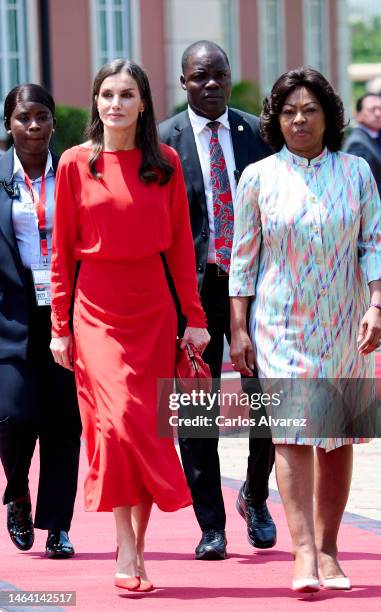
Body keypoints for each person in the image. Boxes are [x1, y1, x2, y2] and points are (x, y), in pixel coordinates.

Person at [49, 59, 209, 591]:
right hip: (95, 308)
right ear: (96, 102)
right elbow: (62, 251)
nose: (115, 103)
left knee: (144, 429)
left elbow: (183, 250)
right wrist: (60, 325)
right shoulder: (75, 163)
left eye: (127, 94)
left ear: (143, 104)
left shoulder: (162, 162)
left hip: (153, 308)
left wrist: (195, 318)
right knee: (117, 427)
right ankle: (124, 541)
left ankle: (137, 547)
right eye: (107, 94)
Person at [229, 67, 381, 592]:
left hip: (345, 324)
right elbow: (243, 259)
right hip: (280, 324)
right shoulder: (258, 177)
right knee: (292, 435)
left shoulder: (357, 172)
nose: (299, 119)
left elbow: (373, 243)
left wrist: (377, 304)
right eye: (289, 110)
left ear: (328, 116)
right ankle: (302, 556)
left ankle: (329, 550)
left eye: (310, 109)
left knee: (336, 438)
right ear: (275, 119)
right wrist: (239, 328)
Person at [159, 40, 276, 560]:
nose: (211, 85)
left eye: (219, 75)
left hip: (257, 288)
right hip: (194, 291)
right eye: (199, 76)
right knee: (196, 409)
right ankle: (210, 524)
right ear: (183, 81)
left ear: (230, 78)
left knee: (269, 399)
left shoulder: (258, 134)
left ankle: (255, 494)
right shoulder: (162, 141)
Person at [0, 84, 81, 558]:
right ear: (9, 124)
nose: (33, 126)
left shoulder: (73, 172)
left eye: (42, 116)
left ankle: (58, 526)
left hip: (68, 313)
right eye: (23, 117)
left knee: (63, 422)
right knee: (13, 413)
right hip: (10, 314)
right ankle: (17, 492)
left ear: (53, 121)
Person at [344, 93, 381, 350]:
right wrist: (379, 227)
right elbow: (364, 192)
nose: (378, 113)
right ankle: (375, 329)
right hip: (379, 228)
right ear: (359, 114)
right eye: (371, 109)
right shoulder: (359, 144)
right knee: (377, 281)